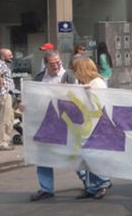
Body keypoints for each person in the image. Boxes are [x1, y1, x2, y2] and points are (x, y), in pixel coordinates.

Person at [29, 50, 78, 201]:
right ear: (45, 64)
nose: (56, 66)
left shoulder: (68, 76)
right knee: (43, 156)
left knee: (73, 154)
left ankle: (93, 184)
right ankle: (46, 189)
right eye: (52, 64)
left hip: (65, 123)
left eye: (58, 62)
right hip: (45, 123)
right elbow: (32, 99)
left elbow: (77, 96)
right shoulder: (39, 78)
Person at [72, 57, 113, 198]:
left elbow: (100, 104)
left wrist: (89, 92)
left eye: (76, 70)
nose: (74, 73)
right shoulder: (85, 83)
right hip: (86, 123)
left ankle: (103, 182)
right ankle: (91, 186)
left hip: (95, 124)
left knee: (92, 155)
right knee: (85, 156)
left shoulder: (97, 83)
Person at [0, 48, 16, 151]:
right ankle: (1, 143)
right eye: (9, 55)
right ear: (3, 56)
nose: (12, 56)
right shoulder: (1, 63)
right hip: (3, 95)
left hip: (7, 95)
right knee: (3, 120)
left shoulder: (4, 64)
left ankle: (6, 141)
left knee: (9, 118)